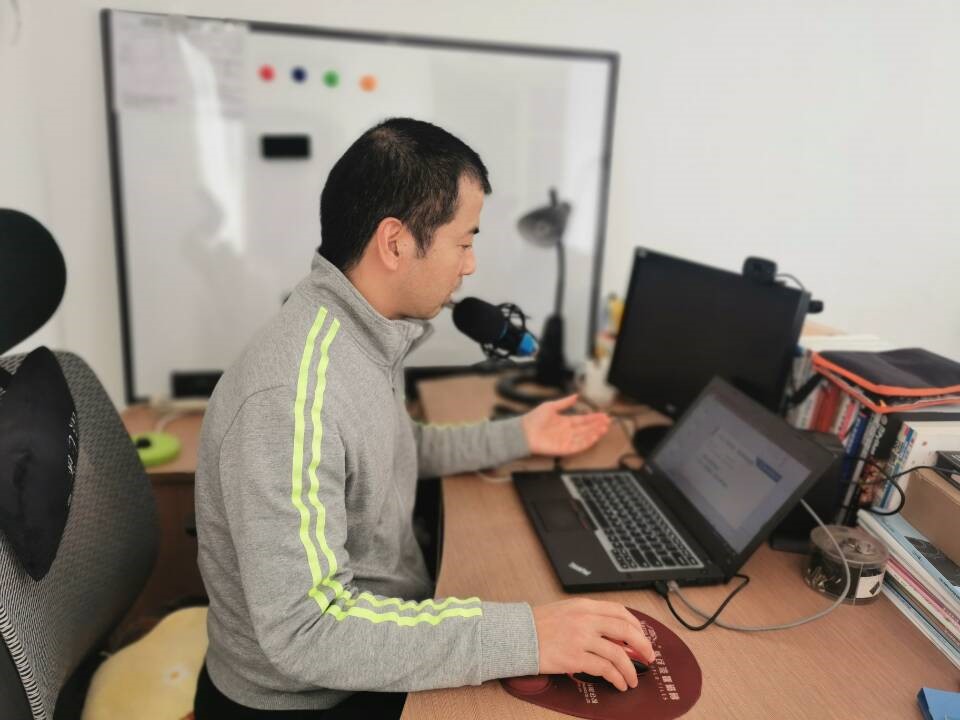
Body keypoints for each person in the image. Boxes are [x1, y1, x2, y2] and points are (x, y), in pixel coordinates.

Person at [193, 117, 655, 719]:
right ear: (395, 242)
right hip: (306, 700)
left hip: (366, 644)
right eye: (463, 242)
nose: (470, 265)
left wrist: (519, 435)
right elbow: (307, 633)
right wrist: (528, 636)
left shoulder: (361, 334)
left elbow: (388, 450)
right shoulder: (289, 400)